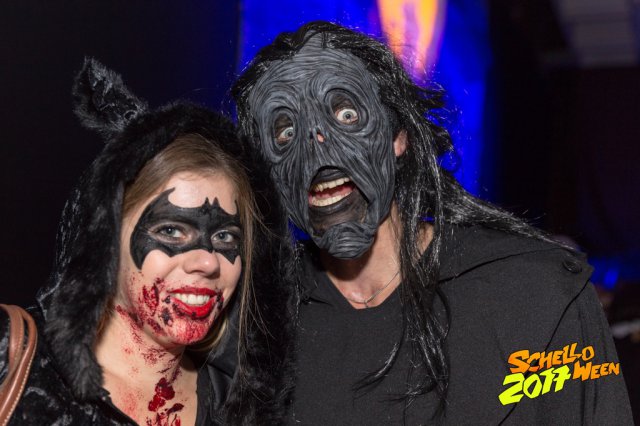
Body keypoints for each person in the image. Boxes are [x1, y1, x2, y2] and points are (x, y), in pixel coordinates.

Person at [226, 21, 634, 424]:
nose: (318, 149)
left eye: (346, 114)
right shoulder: (255, 327)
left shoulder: (537, 294)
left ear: (398, 137)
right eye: (284, 133)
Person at [0, 58, 284, 425]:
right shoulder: (13, 357)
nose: (208, 261)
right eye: (171, 231)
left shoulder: (238, 407)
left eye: (225, 236)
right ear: (106, 237)